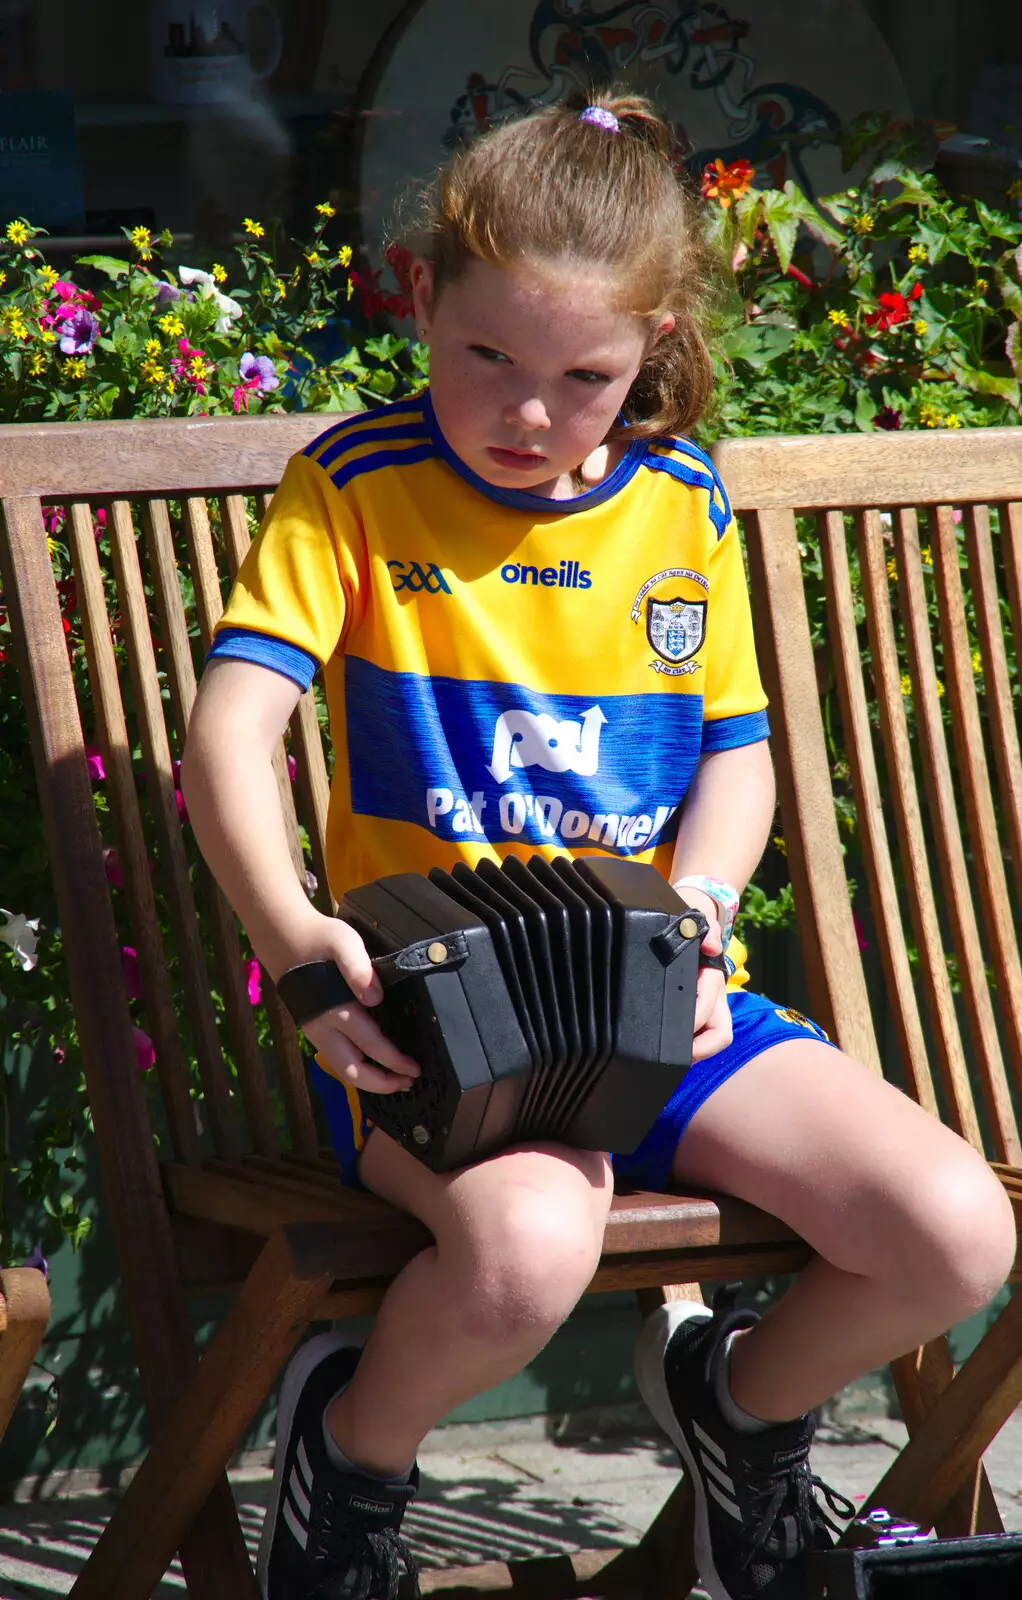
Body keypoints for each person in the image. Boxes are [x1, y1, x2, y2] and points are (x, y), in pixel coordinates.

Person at [181, 90, 1016, 1600]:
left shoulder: (679, 500)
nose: (523, 411)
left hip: (663, 1003)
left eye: (581, 377)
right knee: (524, 1254)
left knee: (950, 1235)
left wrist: (698, 902)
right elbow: (229, 737)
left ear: (652, 353)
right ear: (419, 295)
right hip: (429, 1031)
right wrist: (299, 941)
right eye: (486, 357)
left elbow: (736, 764)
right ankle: (349, 1451)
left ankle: (735, 1409)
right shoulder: (356, 490)